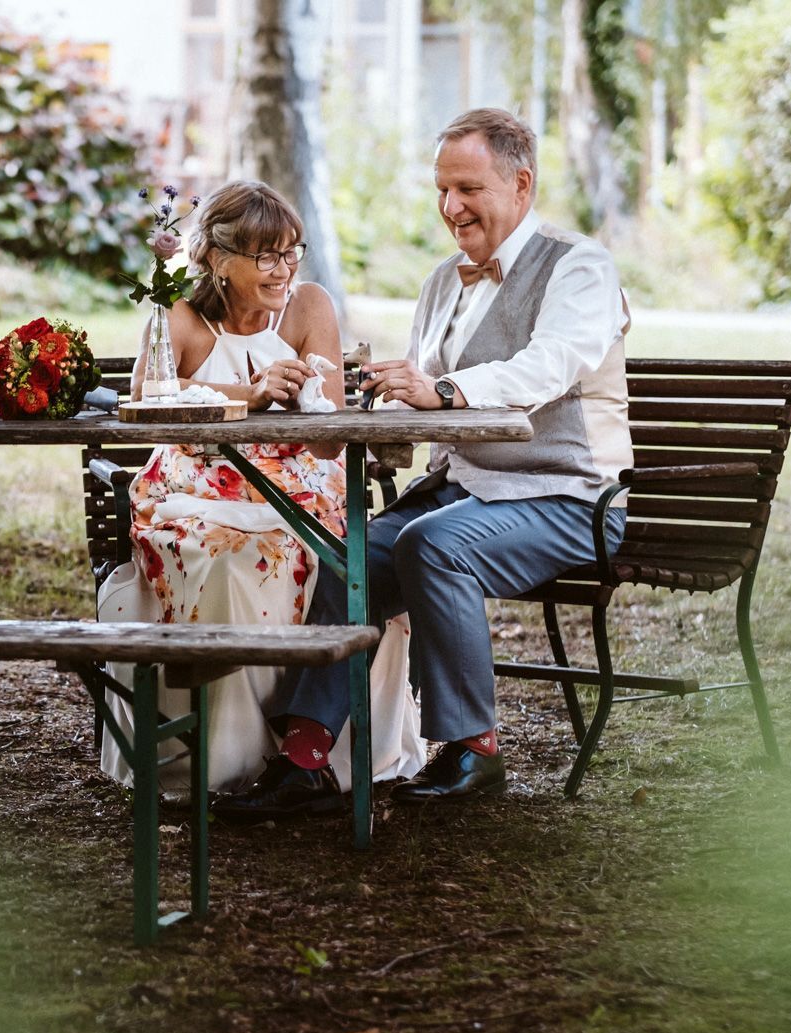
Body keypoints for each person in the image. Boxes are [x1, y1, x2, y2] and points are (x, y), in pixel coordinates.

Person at [236, 107, 632, 812]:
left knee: (432, 547)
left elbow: (550, 366)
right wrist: (358, 403)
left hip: (570, 498)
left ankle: (474, 751)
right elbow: (415, 389)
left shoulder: (580, 268)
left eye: (469, 189)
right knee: (344, 552)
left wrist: (443, 390)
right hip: (464, 490)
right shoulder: (444, 281)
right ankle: (306, 761)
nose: (452, 207)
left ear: (521, 183)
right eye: (443, 189)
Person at [97, 181, 425, 808]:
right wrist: (251, 394)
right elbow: (147, 406)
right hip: (194, 489)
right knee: (232, 562)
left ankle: (314, 754)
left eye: (292, 252)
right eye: (267, 257)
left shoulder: (309, 307)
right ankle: (222, 760)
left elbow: (328, 443)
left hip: (297, 485)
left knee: (337, 559)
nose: (284, 269)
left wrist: (321, 401)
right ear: (219, 260)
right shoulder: (180, 316)